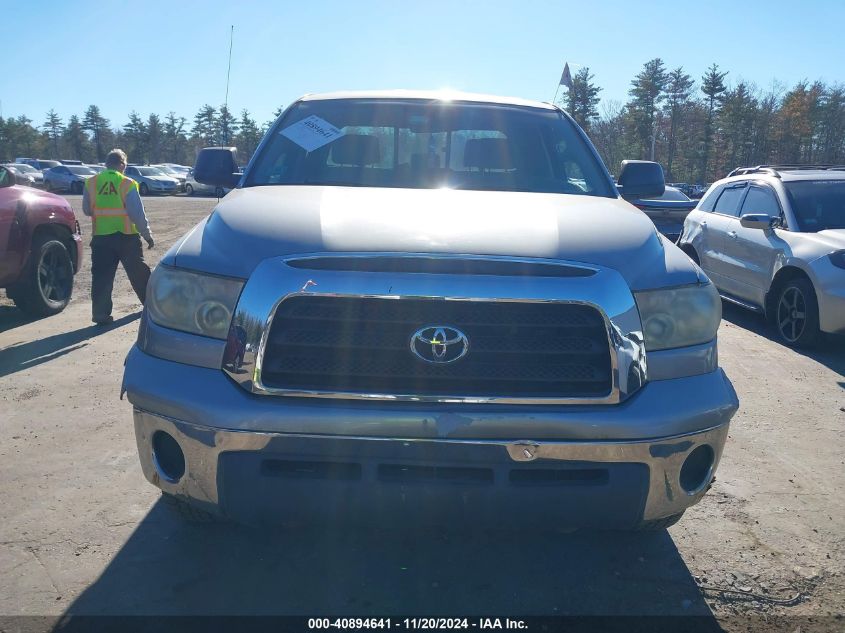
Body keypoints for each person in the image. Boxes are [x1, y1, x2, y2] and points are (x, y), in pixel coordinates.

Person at [82, 149, 154, 325]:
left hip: (101, 238)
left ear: (107, 164)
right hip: (126, 237)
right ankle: (152, 308)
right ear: (122, 164)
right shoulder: (127, 183)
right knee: (139, 274)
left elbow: (86, 210)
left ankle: (100, 314)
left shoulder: (91, 183)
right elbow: (137, 213)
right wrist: (147, 235)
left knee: (102, 277)